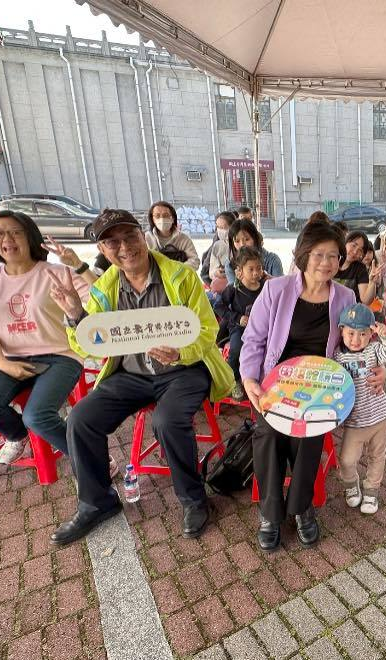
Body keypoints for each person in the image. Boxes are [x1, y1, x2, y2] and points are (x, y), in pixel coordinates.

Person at [47, 209, 234, 545]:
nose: (124, 247)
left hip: (183, 370)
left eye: (129, 237)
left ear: (143, 237)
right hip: (130, 374)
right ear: (103, 251)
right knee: (80, 418)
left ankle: (193, 498)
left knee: (168, 420)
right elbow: (89, 346)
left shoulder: (180, 276)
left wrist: (181, 353)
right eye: (112, 242)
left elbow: (208, 329)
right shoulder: (104, 288)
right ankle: (96, 502)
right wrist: (76, 314)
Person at [240, 222, 376, 550]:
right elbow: (253, 340)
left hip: (321, 387)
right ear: (303, 255)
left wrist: (378, 367)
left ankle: (301, 508)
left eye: (334, 255)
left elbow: (357, 342)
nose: (326, 262)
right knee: (269, 434)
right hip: (276, 383)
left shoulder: (344, 296)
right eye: (319, 254)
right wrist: (249, 379)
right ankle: (271, 513)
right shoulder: (276, 290)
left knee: (310, 433)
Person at [0, 211, 93, 467]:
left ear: (30, 236)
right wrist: (1, 362)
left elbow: (102, 296)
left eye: (15, 232)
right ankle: (17, 435)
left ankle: (92, 459)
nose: (7, 239)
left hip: (60, 355)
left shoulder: (57, 272)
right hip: (12, 357)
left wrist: (79, 265)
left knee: (37, 416)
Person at [334, 303, 386, 515]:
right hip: (354, 421)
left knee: (377, 456)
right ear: (341, 330)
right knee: (346, 460)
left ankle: (371, 490)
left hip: (379, 417)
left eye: (362, 333)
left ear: (371, 333)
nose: (355, 339)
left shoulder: (373, 350)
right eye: (350, 333)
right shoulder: (337, 357)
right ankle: (351, 485)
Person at [217, 246, 268, 399]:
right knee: (237, 348)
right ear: (240, 270)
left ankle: (261, 378)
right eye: (250, 269)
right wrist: (237, 318)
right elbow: (219, 306)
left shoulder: (266, 287)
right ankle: (234, 380)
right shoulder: (233, 289)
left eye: (259, 268)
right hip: (239, 328)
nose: (256, 273)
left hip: (261, 328)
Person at [144, 201, 199, 271]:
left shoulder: (183, 238)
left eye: (166, 215)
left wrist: (176, 270)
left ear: (172, 218)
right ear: (153, 219)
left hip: (179, 277)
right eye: (157, 216)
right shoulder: (146, 238)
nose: (162, 219)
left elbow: (194, 260)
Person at [336, 231, 375, 304]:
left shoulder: (360, 268)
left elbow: (366, 300)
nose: (354, 252)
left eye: (360, 250)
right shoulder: (332, 260)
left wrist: (372, 282)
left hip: (350, 312)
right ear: (346, 242)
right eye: (353, 245)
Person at [201, 210, 234, 284]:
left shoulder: (239, 243)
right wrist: (216, 273)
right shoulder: (217, 246)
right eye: (218, 227)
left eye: (223, 227)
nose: (220, 230)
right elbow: (211, 271)